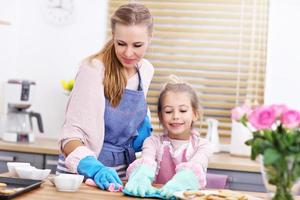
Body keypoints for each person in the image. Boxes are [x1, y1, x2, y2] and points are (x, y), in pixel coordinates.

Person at [57, 3, 154, 192]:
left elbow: (136, 114)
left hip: (121, 174)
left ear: (150, 38)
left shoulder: (146, 70)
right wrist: (94, 168)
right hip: (83, 175)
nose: (128, 53)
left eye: (137, 45)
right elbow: (70, 137)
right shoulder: (93, 70)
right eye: (121, 43)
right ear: (113, 36)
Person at [124, 76, 213, 199]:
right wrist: (141, 177)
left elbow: (195, 167)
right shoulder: (152, 142)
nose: (176, 116)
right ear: (160, 116)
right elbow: (146, 164)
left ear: (195, 114)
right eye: (168, 111)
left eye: (182, 110)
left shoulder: (202, 145)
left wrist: (180, 184)